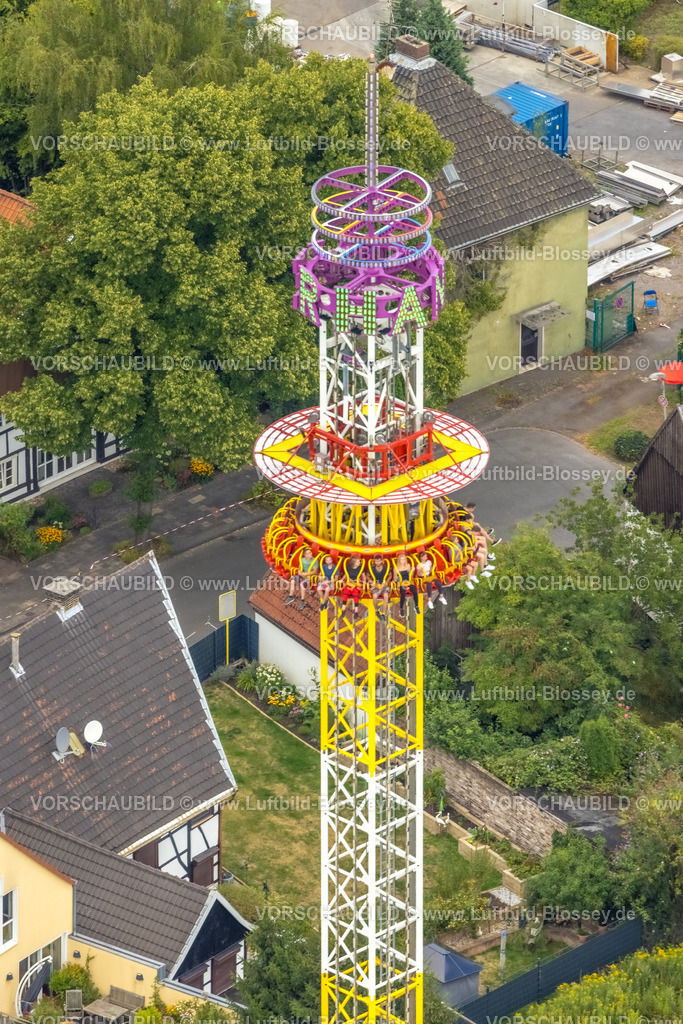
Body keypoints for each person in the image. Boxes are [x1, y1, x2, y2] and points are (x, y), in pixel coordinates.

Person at [394, 552, 420, 617]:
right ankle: (401, 608)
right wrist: (397, 576)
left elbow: (410, 575)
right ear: (399, 560)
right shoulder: (396, 567)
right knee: (403, 592)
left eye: (404, 559)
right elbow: (395, 578)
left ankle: (416, 606)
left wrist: (412, 570)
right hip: (401, 581)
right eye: (402, 559)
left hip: (407, 580)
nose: (403, 561)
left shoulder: (408, 565)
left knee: (414, 590)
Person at [368, 553, 391, 621]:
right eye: (376, 561)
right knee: (375, 596)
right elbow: (367, 575)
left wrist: (387, 581)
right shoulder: (372, 568)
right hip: (376, 584)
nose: (377, 562)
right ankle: (376, 610)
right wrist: (371, 581)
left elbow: (390, 575)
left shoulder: (385, 568)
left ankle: (383, 613)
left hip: (383, 584)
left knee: (386, 596)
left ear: (381, 561)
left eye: (379, 561)